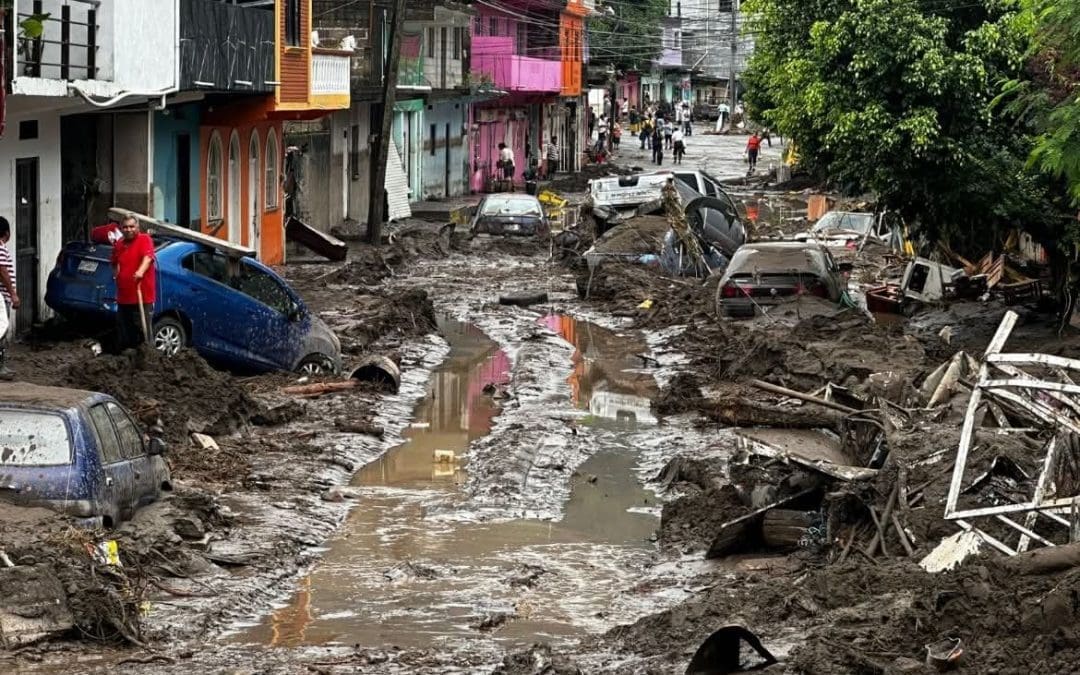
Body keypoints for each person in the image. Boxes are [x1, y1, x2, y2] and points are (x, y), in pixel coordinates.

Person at [111, 215, 156, 353]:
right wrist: (116, 276)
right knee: (124, 329)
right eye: (125, 227)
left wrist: (140, 271)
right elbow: (114, 262)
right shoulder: (119, 244)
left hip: (142, 295)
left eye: (132, 226)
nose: (128, 229)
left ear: (137, 227)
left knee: (142, 330)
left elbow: (148, 257)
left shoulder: (144, 239)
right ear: (121, 228)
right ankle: (126, 360)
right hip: (124, 295)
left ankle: (147, 357)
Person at [0, 217, 19, 380]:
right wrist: (12, 294)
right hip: (1, 297)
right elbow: (2, 271)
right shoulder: (0, 247)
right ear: (7, 232)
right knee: (1, 332)